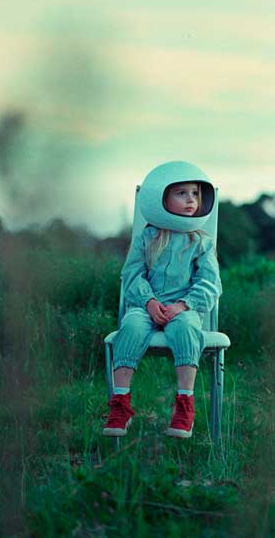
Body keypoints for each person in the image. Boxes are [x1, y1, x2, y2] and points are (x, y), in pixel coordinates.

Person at [102, 161, 222, 439]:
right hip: (146, 306)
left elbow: (209, 283)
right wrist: (149, 302)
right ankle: (120, 405)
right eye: (181, 193)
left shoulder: (201, 242)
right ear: (161, 199)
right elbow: (132, 274)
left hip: (184, 308)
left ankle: (185, 405)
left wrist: (183, 305)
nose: (190, 199)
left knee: (187, 328)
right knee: (131, 326)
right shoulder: (147, 238)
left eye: (195, 193)